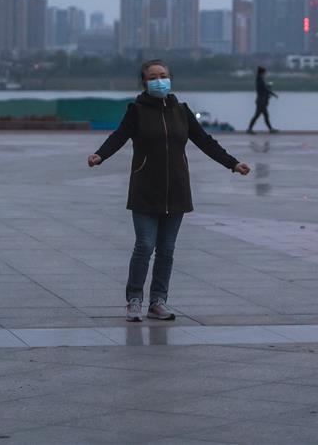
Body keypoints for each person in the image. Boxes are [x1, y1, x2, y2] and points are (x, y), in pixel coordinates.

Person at [87, 60, 251, 322]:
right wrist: (100, 155)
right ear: (144, 82)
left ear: (170, 78)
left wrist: (232, 163)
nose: (159, 81)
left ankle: (158, 301)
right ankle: (134, 300)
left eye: (162, 76)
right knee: (144, 246)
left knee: (166, 249)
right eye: (153, 77)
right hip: (145, 189)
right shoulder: (137, 111)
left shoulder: (181, 111)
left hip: (176, 190)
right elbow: (119, 136)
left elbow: (205, 141)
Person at [247, 66, 279, 134]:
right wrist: (273, 94)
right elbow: (265, 89)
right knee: (257, 116)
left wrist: (269, 94)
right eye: (265, 73)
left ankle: (270, 129)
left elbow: (264, 89)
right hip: (261, 102)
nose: (265, 74)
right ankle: (249, 129)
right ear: (262, 73)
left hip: (261, 101)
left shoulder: (259, 79)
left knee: (265, 115)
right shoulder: (260, 80)